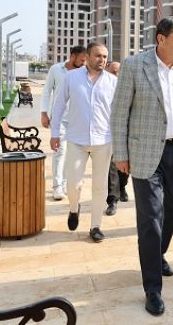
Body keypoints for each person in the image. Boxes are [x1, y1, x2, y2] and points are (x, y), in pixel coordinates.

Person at [110, 16, 173, 317]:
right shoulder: (134, 65)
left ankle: (157, 254)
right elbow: (119, 112)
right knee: (151, 218)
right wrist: (120, 152)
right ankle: (152, 288)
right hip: (145, 152)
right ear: (161, 39)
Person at [50, 42, 117, 243]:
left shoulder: (112, 82)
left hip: (103, 140)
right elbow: (59, 105)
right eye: (98, 55)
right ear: (87, 56)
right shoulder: (71, 77)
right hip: (76, 139)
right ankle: (74, 208)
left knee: (99, 186)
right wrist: (55, 133)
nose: (102, 60)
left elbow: (118, 113)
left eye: (105, 56)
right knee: (73, 184)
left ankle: (96, 226)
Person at [40, 45, 87, 201]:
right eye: (81, 60)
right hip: (58, 118)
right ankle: (57, 186)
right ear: (72, 56)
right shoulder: (56, 69)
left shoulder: (84, 72)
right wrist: (43, 113)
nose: (84, 63)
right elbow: (47, 92)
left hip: (76, 119)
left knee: (71, 154)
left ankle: (66, 184)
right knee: (60, 152)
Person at [104, 61, 129, 216]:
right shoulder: (103, 86)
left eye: (119, 72)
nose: (117, 75)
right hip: (108, 132)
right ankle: (112, 200)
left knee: (125, 167)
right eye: (113, 72)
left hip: (127, 132)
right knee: (112, 166)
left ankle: (123, 187)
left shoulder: (128, 86)